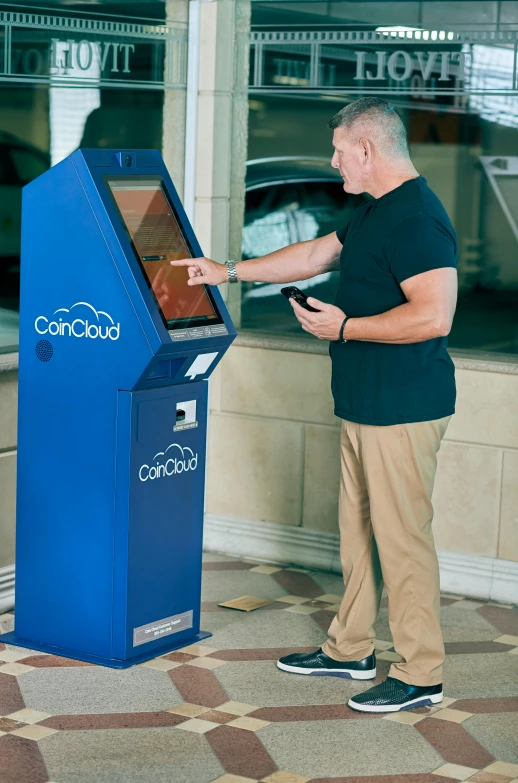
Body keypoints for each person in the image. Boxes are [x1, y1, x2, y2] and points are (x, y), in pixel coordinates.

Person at [171, 97, 458, 713]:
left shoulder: (417, 220)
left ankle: (422, 673)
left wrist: (346, 327)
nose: (333, 163)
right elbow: (314, 255)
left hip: (403, 407)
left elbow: (433, 315)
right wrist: (226, 271)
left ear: (367, 149)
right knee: (357, 534)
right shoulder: (374, 210)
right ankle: (351, 648)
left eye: (337, 151)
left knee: (402, 541)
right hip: (362, 400)